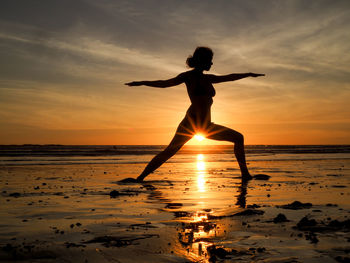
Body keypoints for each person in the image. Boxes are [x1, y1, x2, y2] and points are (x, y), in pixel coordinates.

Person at [125, 47, 264, 182]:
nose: (211, 63)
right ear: (201, 60)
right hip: (190, 123)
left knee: (238, 138)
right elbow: (164, 83)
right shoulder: (188, 76)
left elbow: (229, 77)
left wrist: (248, 74)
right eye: (209, 60)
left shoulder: (208, 78)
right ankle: (140, 178)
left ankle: (245, 174)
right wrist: (142, 83)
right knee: (169, 151)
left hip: (206, 125)